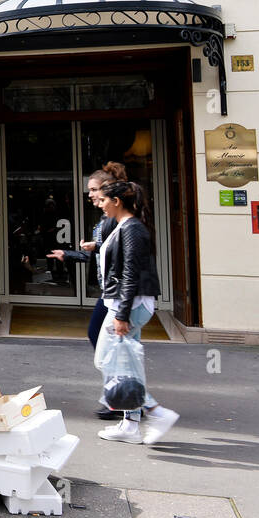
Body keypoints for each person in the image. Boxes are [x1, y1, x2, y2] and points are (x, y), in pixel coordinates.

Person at [92, 179, 179, 445]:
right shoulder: (124, 227)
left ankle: (155, 411)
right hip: (126, 304)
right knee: (125, 363)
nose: (101, 204)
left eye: (104, 200)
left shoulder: (131, 229)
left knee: (107, 361)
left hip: (128, 305)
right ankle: (130, 424)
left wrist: (121, 315)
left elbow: (130, 273)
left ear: (117, 201)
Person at [46, 162, 126, 418]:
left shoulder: (116, 218)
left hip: (116, 293)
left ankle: (127, 399)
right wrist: (71, 253)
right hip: (110, 292)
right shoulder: (106, 218)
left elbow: (121, 255)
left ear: (106, 189)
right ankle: (127, 398)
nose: (89, 194)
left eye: (93, 190)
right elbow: (101, 252)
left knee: (109, 344)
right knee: (107, 343)